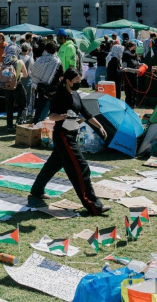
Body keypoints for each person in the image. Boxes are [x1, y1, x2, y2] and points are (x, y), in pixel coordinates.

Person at [29, 68, 111, 215]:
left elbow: (86, 113)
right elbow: (51, 115)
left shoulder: (76, 95)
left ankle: (36, 190)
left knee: (53, 164)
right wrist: (60, 117)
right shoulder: (60, 95)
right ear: (67, 81)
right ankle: (94, 206)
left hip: (72, 134)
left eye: (80, 81)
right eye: (76, 81)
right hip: (63, 135)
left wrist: (100, 126)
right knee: (81, 167)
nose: (79, 83)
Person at [31, 41, 63, 123]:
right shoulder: (57, 61)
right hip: (53, 87)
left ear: (46, 49)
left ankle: (36, 123)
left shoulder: (40, 59)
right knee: (49, 107)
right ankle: (43, 123)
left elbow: (34, 70)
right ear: (55, 50)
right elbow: (61, 75)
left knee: (40, 106)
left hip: (40, 86)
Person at [0, 44, 27, 130]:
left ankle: (9, 126)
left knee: (9, 106)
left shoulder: (4, 61)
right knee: (22, 105)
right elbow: (26, 74)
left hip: (7, 86)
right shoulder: (19, 61)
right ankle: (19, 122)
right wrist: (20, 75)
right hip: (17, 85)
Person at [122, 41, 142, 107]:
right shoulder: (125, 55)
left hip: (135, 76)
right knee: (129, 92)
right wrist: (134, 70)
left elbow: (137, 63)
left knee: (135, 91)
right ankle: (128, 105)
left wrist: (142, 65)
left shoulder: (135, 55)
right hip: (128, 77)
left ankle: (134, 104)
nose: (135, 48)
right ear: (130, 47)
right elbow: (124, 67)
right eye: (134, 47)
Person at [19, 44, 35, 118]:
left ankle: (22, 112)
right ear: (28, 50)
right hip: (28, 79)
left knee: (20, 97)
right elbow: (32, 69)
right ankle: (28, 111)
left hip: (19, 79)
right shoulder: (30, 58)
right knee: (29, 96)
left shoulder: (18, 58)